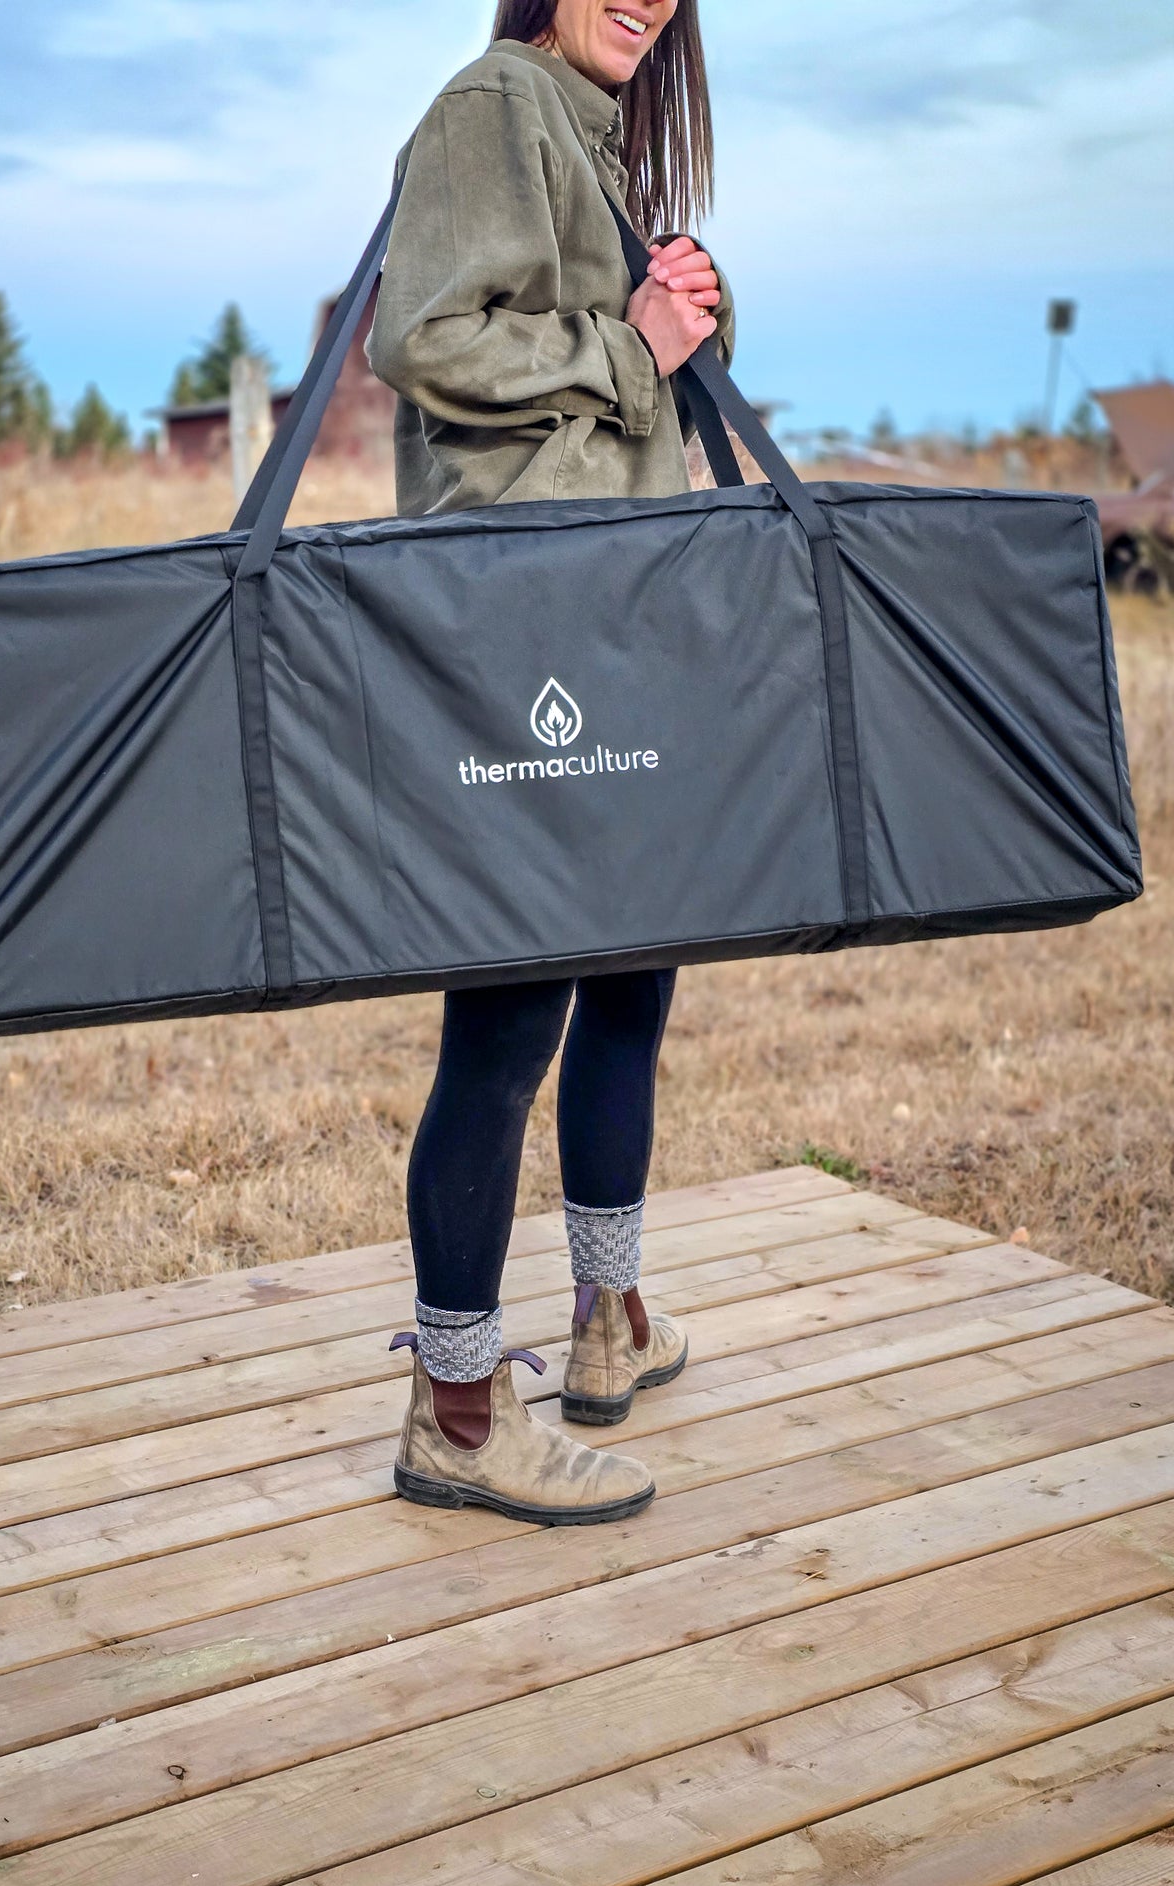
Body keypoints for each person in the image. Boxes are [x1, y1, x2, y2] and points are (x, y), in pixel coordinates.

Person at [368, 0, 735, 1526]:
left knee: (633, 984)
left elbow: (607, 381)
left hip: (615, 613)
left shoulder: (592, 142)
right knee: (510, 1017)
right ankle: (456, 1407)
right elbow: (424, 336)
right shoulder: (491, 101)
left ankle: (604, 1323)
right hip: (526, 630)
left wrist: (683, 314)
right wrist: (628, 346)